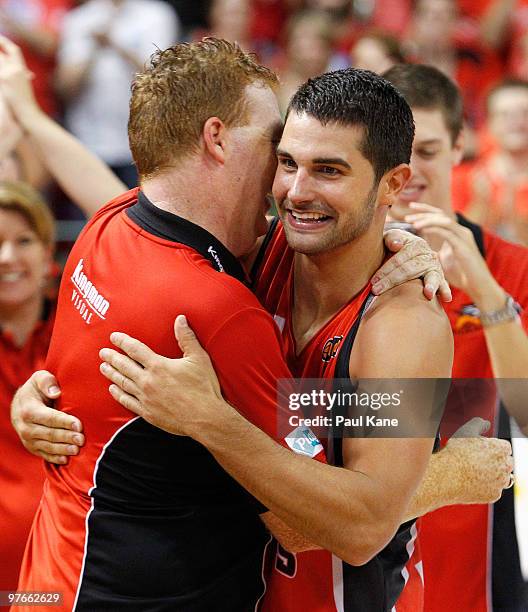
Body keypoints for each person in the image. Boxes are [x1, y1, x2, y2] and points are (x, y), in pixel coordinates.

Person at [20, 67, 513, 612]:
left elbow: (356, 525)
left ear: (390, 184)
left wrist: (211, 420)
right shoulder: (259, 255)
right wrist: (47, 391)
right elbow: (158, 224)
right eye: (286, 162)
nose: (297, 192)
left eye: (328, 170)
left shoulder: (401, 324)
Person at [383, 63, 528, 612]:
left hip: (470, 557)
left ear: (462, 145)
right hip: (358, 545)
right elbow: (302, 414)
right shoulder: (329, 263)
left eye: (429, 149)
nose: (409, 169)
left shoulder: (507, 267)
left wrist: (488, 297)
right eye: (397, 148)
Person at [0, 34, 126, 595]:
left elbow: (117, 220)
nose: (8, 258)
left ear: (49, 253)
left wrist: (30, 117)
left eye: (24, 241)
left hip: (62, 569)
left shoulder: (77, 317)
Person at [56, 0, 179, 187]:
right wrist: (93, 48)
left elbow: (163, 79)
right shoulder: (79, 18)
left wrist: (115, 44)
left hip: (144, 144)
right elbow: (65, 89)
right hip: (89, 143)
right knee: (91, 215)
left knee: (141, 214)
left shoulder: (157, 14)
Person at [456, 79, 528, 245]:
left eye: (525, 113)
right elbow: (450, 245)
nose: (517, 122)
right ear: (488, 123)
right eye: (505, 115)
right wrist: (480, 207)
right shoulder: (462, 178)